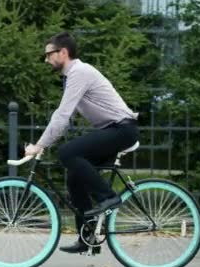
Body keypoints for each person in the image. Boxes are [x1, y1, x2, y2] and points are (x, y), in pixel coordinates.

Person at [24, 32, 139, 254]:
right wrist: (45, 142)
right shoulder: (72, 77)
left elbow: (61, 115)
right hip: (113, 130)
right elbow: (65, 119)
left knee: (67, 153)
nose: (46, 59)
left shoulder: (80, 72)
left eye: (49, 54)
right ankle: (88, 239)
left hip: (122, 129)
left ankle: (108, 197)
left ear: (63, 52)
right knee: (74, 177)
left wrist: (40, 145)